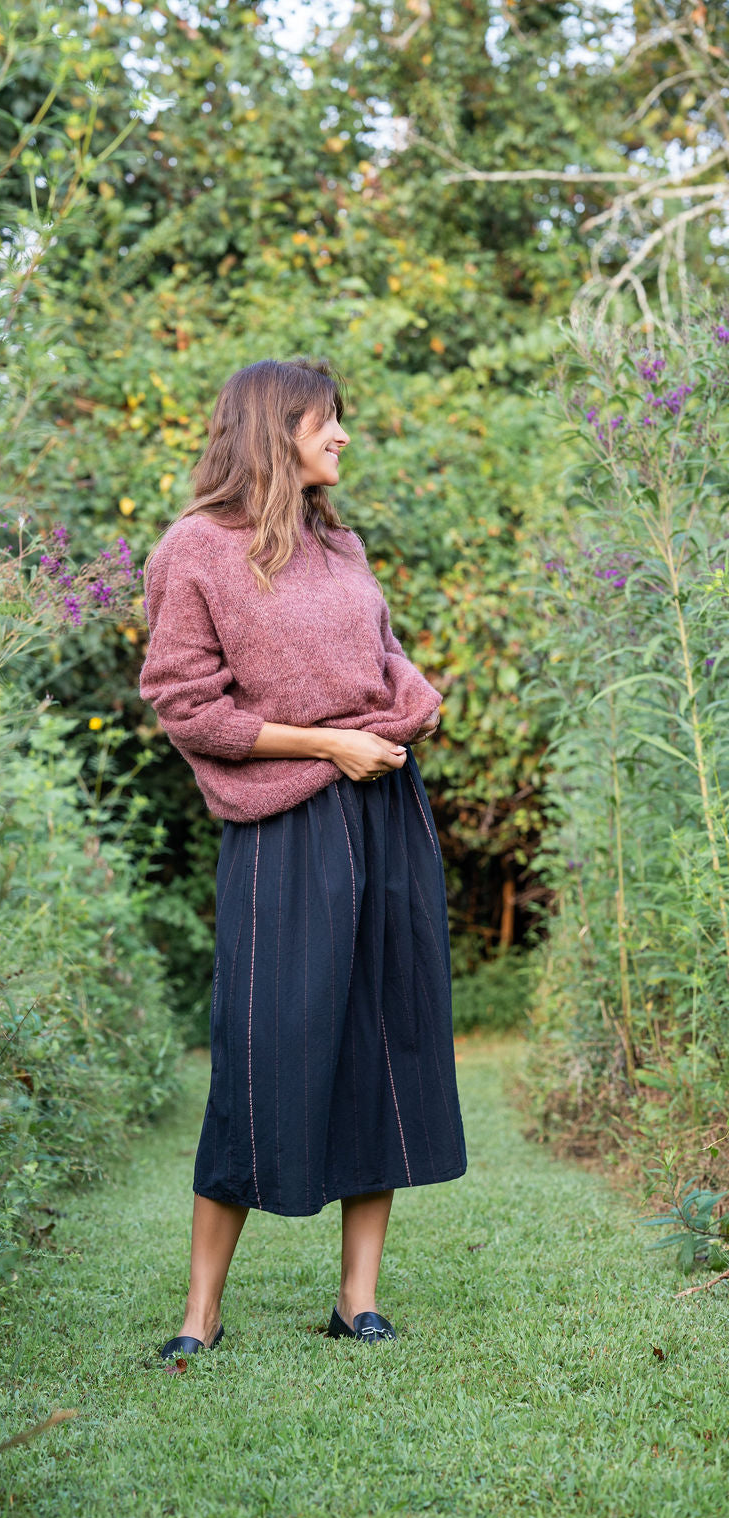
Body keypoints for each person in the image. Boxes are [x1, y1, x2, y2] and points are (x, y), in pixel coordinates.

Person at [139, 357, 467, 1358]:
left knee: (384, 1041)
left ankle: (354, 1299)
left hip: (383, 809)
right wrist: (328, 741)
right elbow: (186, 704)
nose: (342, 438)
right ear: (276, 429)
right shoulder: (195, 549)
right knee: (260, 1047)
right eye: (327, 422)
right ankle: (199, 1314)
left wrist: (407, 707)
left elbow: (391, 667)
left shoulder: (342, 548)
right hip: (284, 824)